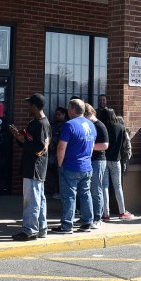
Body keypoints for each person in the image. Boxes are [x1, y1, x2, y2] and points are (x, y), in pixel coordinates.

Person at [10, 94, 50, 241]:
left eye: (29, 104)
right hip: (37, 167)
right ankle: (41, 229)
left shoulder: (40, 124)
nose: (27, 107)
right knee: (39, 199)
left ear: (34, 106)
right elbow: (34, 144)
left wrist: (21, 139)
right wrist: (20, 137)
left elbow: (39, 148)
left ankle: (30, 230)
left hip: (34, 167)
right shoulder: (41, 123)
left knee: (31, 200)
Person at [54, 98, 95, 234]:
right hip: (87, 166)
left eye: (68, 107)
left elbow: (61, 147)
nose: (67, 110)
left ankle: (67, 225)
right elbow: (92, 145)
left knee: (69, 196)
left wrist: (60, 164)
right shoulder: (91, 125)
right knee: (85, 194)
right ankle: (88, 222)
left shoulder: (69, 125)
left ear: (72, 109)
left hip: (71, 166)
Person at [99, 107, 132, 221]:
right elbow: (124, 145)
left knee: (105, 187)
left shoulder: (102, 127)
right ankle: (122, 211)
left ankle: (105, 213)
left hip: (103, 159)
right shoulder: (121, 127)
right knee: (118, 187)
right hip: (116, 159)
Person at [86, 104, 110, 227]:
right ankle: (88, 217)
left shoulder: (100, 126)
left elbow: (105, 145)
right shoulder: (88, 125)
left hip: (98, 161)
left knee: (96, 189)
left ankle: (97, 218)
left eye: (86, 115)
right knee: (87, 190)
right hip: (88, 160)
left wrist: (88, 146)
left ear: (91, 114)